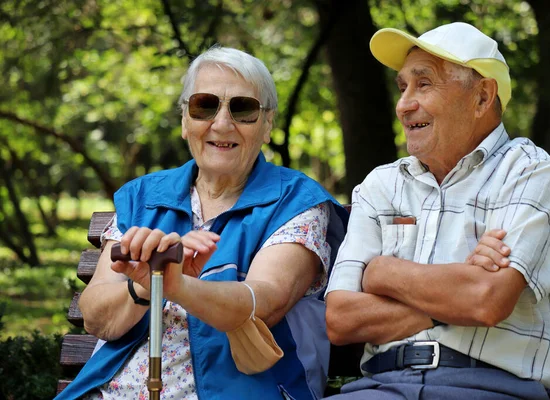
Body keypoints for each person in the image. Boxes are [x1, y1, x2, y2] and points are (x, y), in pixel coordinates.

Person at [56, 45, 348, 400]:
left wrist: (175, 285)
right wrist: (148, 286)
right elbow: (95, 316)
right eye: (204, 106)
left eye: (243, 109)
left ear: (267, 125)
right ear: (185, 121)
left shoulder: (298, 202)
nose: (222, 123)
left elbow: (264, 302)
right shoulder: (144, 196)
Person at [325, 22, 550, 400]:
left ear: (482, 96)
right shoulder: (381, 185)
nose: (403, 104)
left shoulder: (529, 171)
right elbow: (341, 318)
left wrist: (384, 272)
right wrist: (457, 292)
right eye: (402, 87)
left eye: (423, 84)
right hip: (381, 388)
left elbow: (485, 300)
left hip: (492, 388)